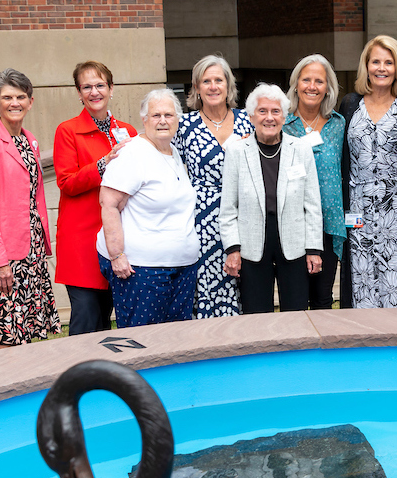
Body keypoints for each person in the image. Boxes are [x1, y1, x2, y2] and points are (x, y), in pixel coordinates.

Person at [0, 69, 61, 349]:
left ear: (30, 101)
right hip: (6, 255)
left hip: (31, 249)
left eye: (21, 96)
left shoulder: (28, 139)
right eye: (7, 97)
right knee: (6, 331)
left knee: (29, 327)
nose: (14, 102)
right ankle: (5, 390)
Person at [337, 35, 397, 309]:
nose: (382, 68)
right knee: (361, 283)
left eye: (389, 62)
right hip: (358, 211)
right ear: (366, 66)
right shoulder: (350, 104)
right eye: (375, 61)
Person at [98, 89, 198, 328]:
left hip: (181, 268)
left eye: (169, 115)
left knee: (176, 342)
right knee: (142, 341)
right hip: (142, 271)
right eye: (156, 115)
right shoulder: (132, 153)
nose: (163, 121)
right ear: (144, 120)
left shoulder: (172, 152)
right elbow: (109, 204)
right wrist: (117, 256)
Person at [219, 84, 323, 314]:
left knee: (297, 314)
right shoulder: (237, 152)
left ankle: (295, 351)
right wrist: (232, 249)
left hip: (294, 244)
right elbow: (228, 208)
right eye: (262, 111)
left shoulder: (301, 149)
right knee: (256, 316)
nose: (269, 118)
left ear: (284, 117)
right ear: (251, 116)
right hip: (252, 244)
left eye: (275, 111)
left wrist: (314, 248)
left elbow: (313, 205)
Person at [53, 61, 138, 335]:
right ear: (78, 93)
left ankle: (103, 377)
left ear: (111, 89)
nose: (94, 92)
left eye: (100, 85)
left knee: (108, 322)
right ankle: (78, 377)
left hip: (117, 239)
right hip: (82, 241)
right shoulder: (67, 131)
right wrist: (103, 164)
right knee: (87, 320)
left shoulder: (129, 133)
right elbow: (67, 183)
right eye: (86, 87)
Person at [173, 55, 254, 318]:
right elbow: (167, 163)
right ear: (196, 88)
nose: (213, 86)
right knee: (207, 282)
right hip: (202, 218)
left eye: (218, 80)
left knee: (247, 280)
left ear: (228, 85)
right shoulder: (184, 126)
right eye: (206, 81)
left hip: (245, 212)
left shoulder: (248, 121)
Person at [284, 54, 345, 311]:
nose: (312, 86)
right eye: (306, 79)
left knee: (323, 299)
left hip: (328, 223)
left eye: (319, 81)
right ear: (296, 85)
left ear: (328, 87)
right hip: (293, 223)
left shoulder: (338, 125)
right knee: (295, 299)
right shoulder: (282, 124)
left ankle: (323, 351)